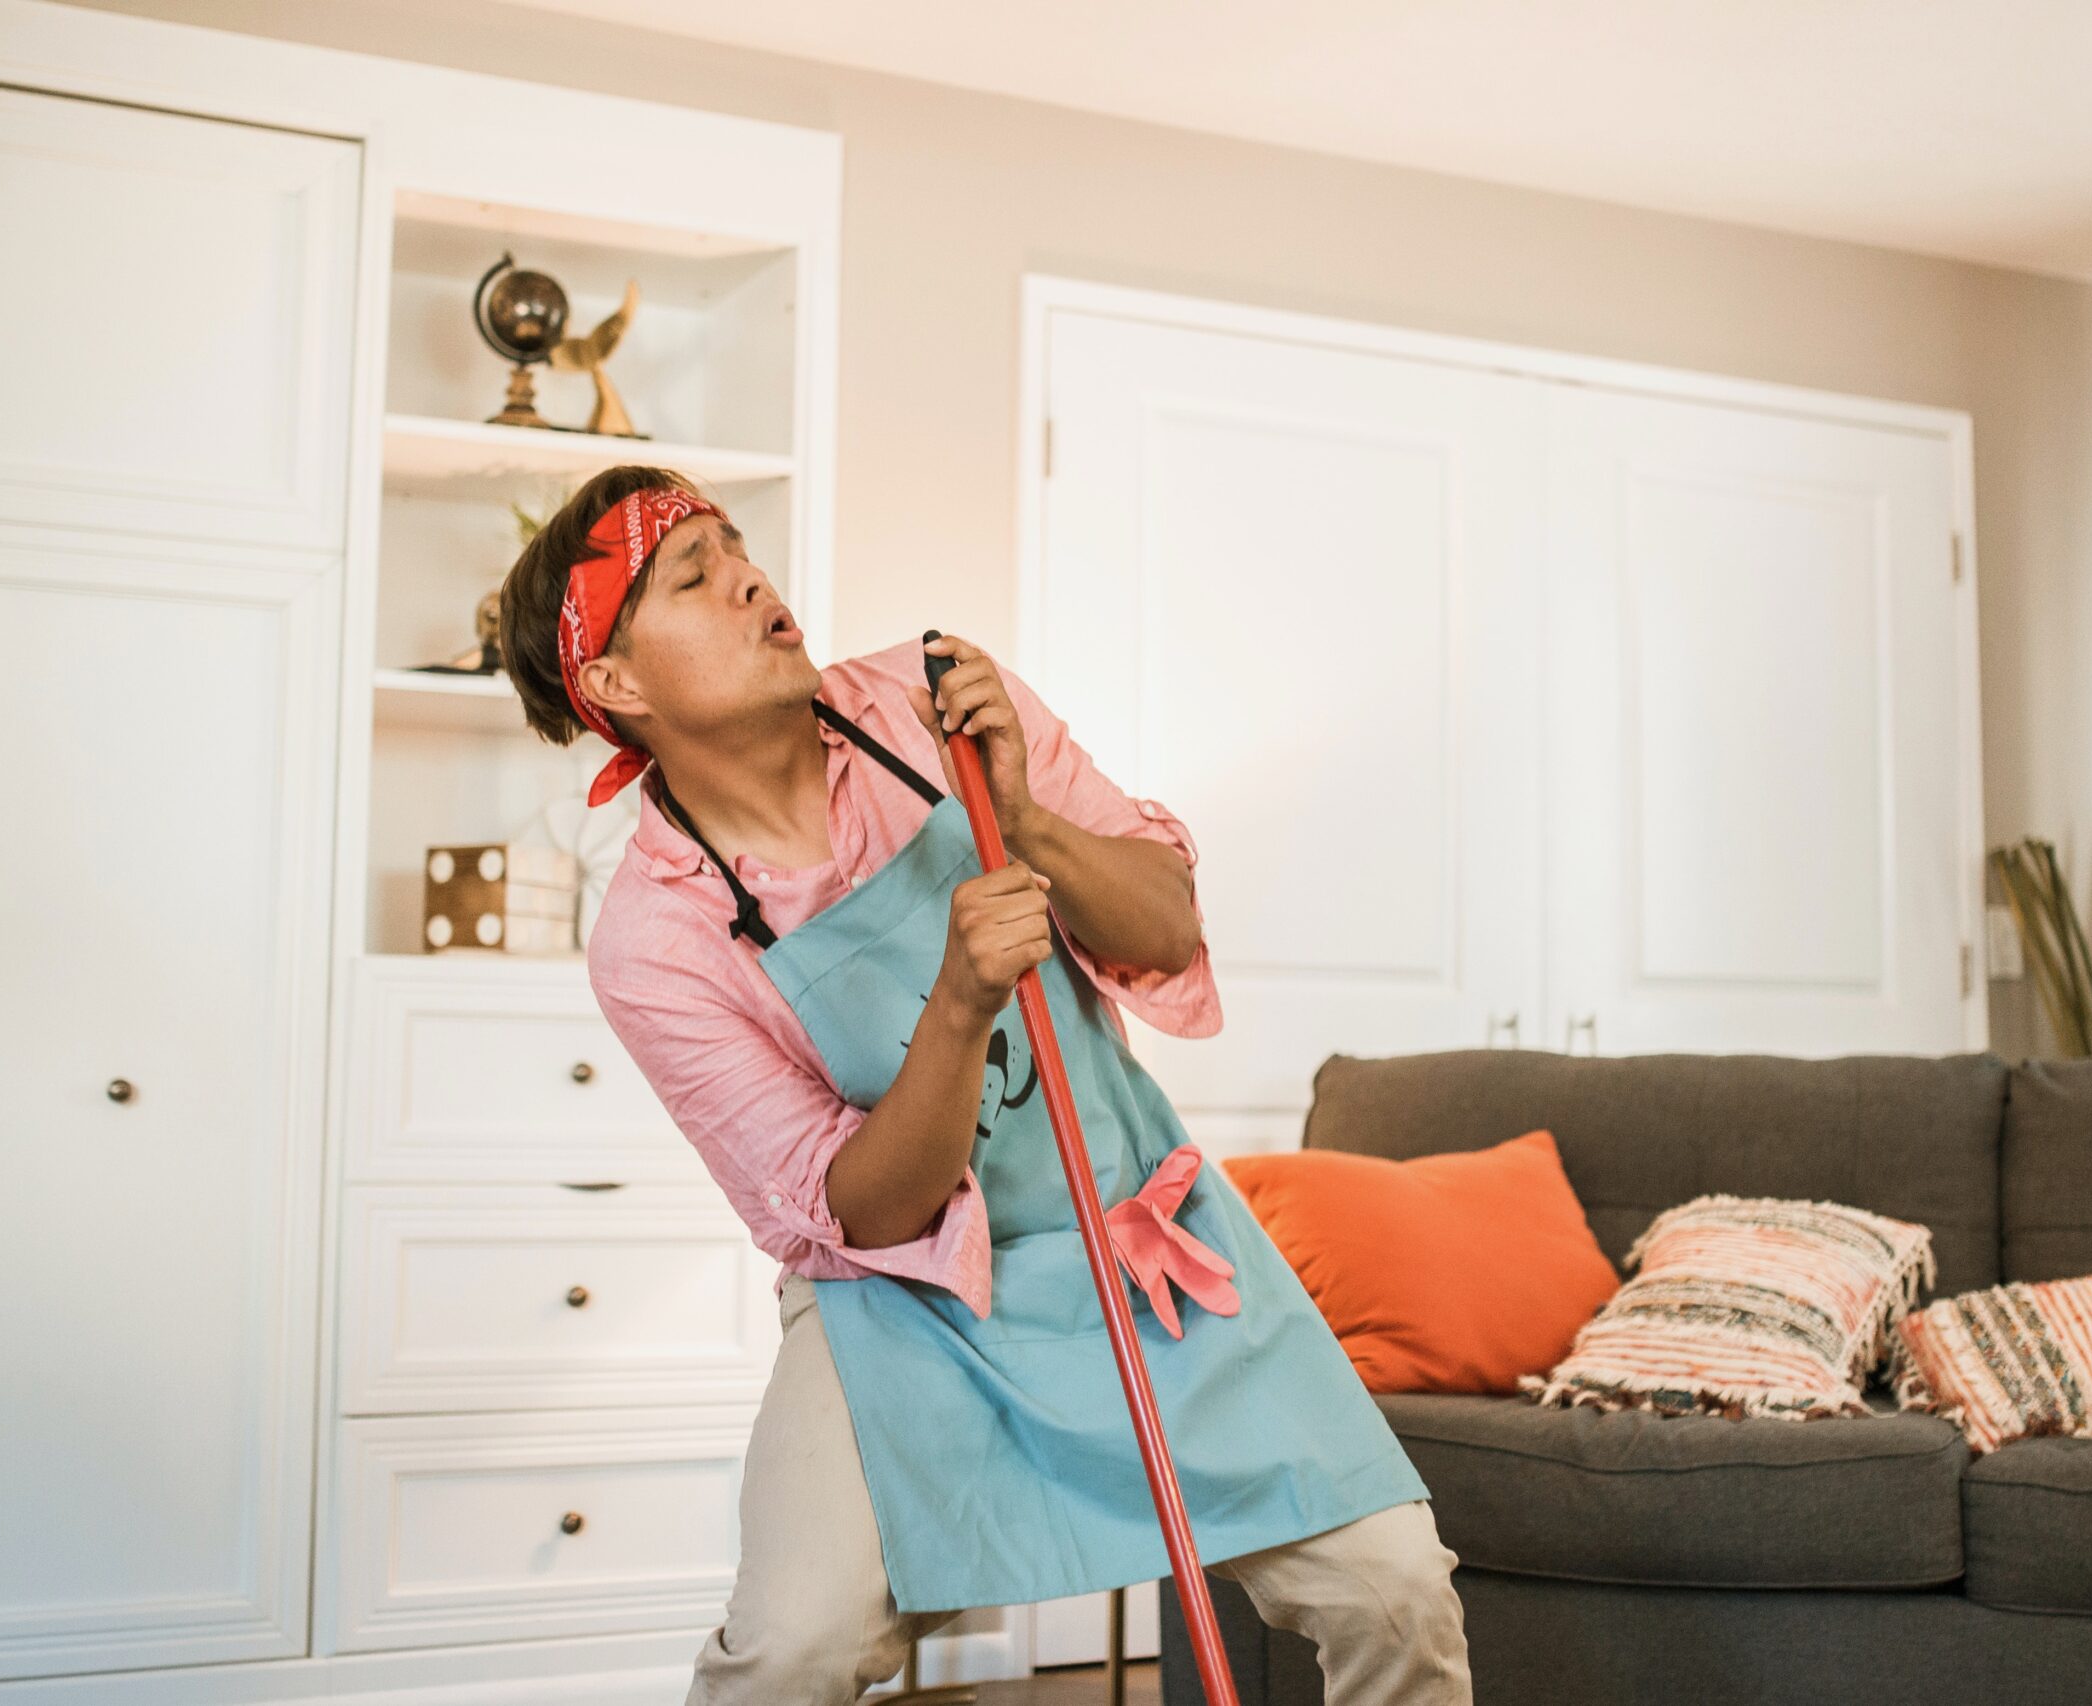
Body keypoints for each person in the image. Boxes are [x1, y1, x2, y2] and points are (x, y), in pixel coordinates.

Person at [496, 465, 1473, 1706]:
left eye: (736, 545)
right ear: (616, 686)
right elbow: (862, 1212)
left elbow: (1165, 926)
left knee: (1397, 1588)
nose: (750, 575)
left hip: (1140, 1237)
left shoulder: (937, 698)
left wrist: (1025, 819)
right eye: (694, 575)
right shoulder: (657, 939)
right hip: (905, 1307)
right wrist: (958, 1002)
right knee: (792, 1645)